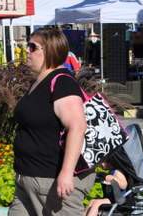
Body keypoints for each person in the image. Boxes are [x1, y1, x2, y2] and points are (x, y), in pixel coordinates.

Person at [9, 26, 93, 216]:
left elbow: (77, 127)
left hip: (51, 182)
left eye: (32, 47)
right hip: (27, 179)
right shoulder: (39, 82)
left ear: (50, 51)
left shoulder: (62, 83)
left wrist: (66, 173)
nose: (27, 52)